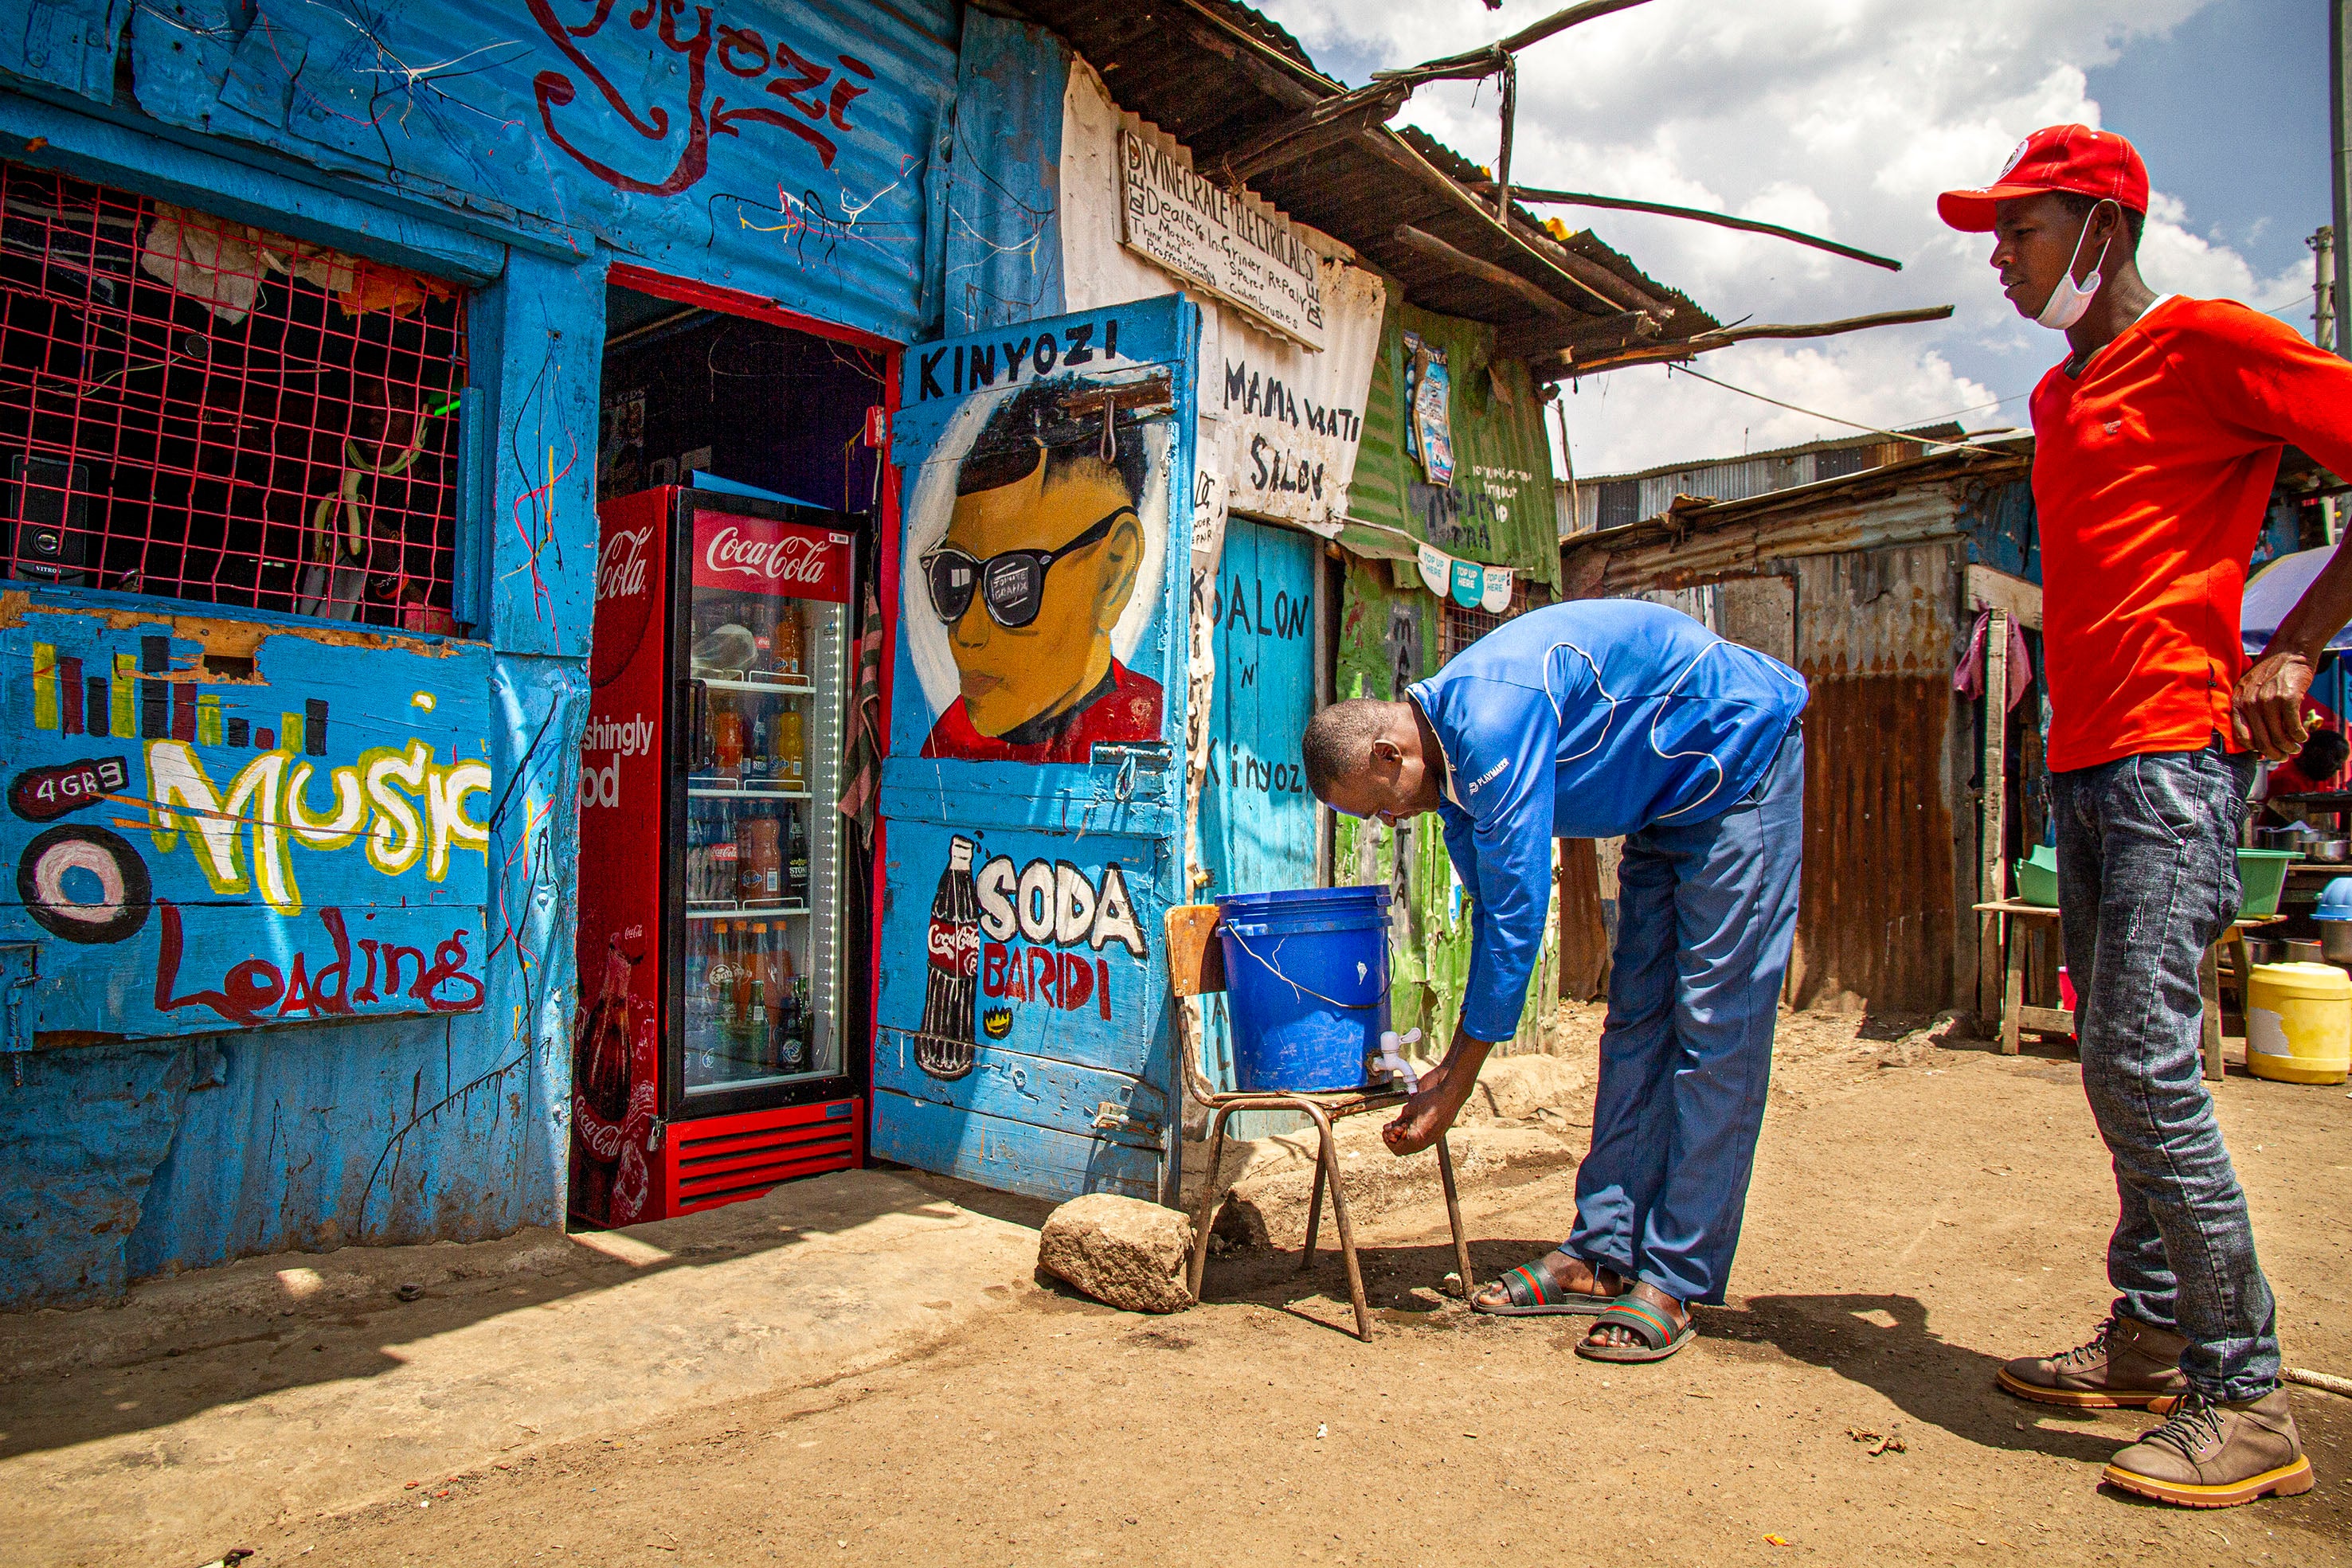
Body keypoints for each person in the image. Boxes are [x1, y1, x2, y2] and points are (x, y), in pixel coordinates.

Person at [1939, 122, 2352, 1508]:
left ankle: (2244, 1393)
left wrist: (2291, 646)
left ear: (2101, 230)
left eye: (2020, 230)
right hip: (2086, 760)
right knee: (2121, 1058)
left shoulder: (2208, 345)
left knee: (2138, 1063)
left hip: (2178, 756)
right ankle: (2152, 1326)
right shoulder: (2062, 398)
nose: (1998, 259)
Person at [1301, 600, 1807, 1364]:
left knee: (1714, 1029)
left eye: (1379, 808)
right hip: (1664, 804)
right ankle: (1600, 1253)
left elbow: (1517, 915)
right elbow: (1486, 912)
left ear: (1386, 755)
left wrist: (1457, 1077)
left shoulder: (1494, 720)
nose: (1389, 823)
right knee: (1635, 1022)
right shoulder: (1456, 778)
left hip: (1740, 762)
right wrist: (1450, 1061)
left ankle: (1673, 1275)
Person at [917, 378, 1164, 763]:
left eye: (1012, 585)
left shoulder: (1153, 727)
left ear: (1114, 572)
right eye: (956, 579)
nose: (967, 632)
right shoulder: (945, 745)